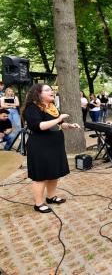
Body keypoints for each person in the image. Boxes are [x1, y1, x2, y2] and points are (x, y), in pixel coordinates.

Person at [23, 84, 80, 213]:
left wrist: (69, 125)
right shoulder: (31, 108)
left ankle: (51, 197)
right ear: (38, 94)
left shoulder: (51, 107)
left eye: (52, 89)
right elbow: (39, 126)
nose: (52, 92)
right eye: (47, 90)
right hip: (40, 146)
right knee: (41, 176)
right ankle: (38, 203)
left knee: (54, 173)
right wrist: (59, 119)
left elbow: (59, 124)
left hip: (54, 145)